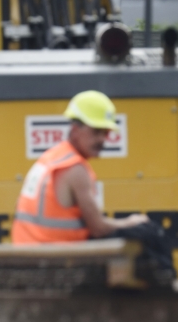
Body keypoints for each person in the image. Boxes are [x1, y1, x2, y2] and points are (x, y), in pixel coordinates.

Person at [12, 91, 149, 244]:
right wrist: (132, 222)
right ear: (76, 130)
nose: (102, 140)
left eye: (106, 133)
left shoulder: (53, 156)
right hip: (55, 259)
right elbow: (99, 228)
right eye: (96, 132)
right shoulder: (75, 169)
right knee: (148, 232)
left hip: (34, 254)